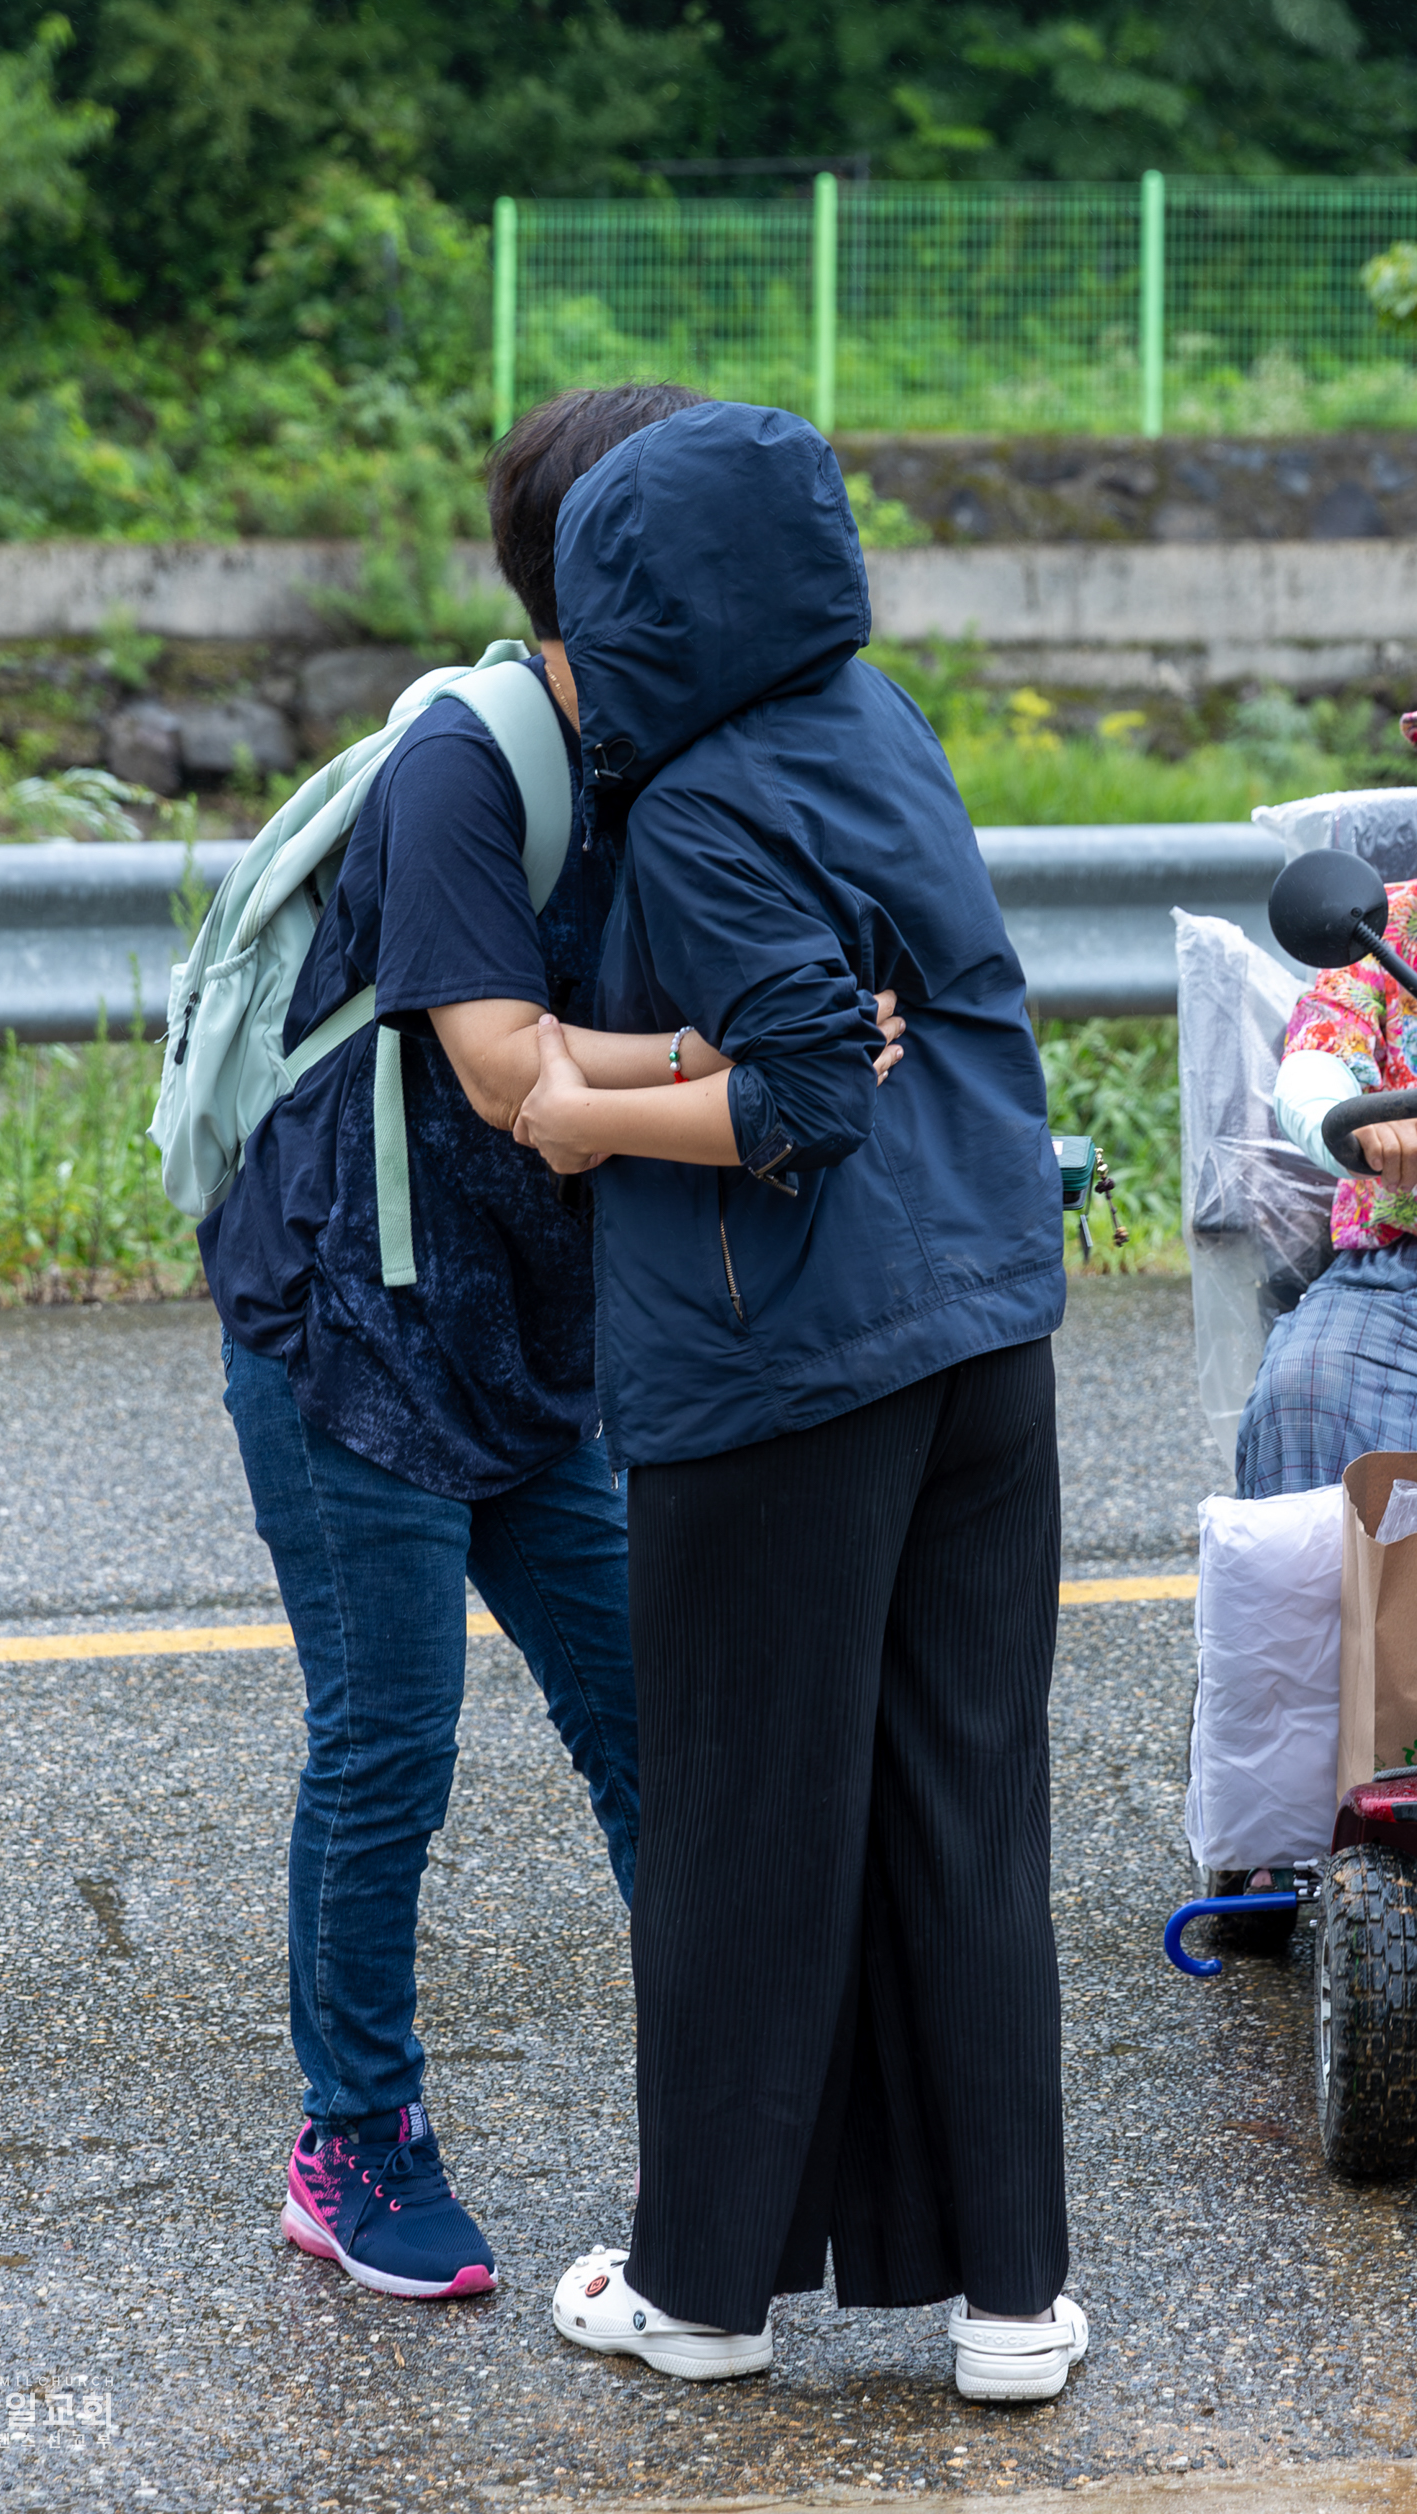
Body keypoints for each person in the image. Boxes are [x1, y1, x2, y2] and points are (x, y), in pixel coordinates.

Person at [514, 399, 1087, 2402]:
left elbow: (803, 1096)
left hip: (782, 1376)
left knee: (746, 1837)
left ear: (636, 611)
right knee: (964, 1810)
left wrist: (582, 1113)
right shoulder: (877, 724)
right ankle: (1009, 2303)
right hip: (982, 1332)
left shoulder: (687, 804)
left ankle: (700, 2296)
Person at [198, 383, 720, 2301]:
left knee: (658, 1725)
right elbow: (503, 1071)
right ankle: (349, 2140)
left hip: (523, 1331)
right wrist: (731, 1060)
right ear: (614, 570)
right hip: (347, 1323)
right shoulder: (463, 762)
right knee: (387, 1751)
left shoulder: (668, 754)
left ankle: (728, 2102)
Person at [1237, 885, 1417, 1496]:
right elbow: (1318, 1054)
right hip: (1396, 1270)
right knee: (1305, 1390)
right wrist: (1353, 1122)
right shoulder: (1383, 928)